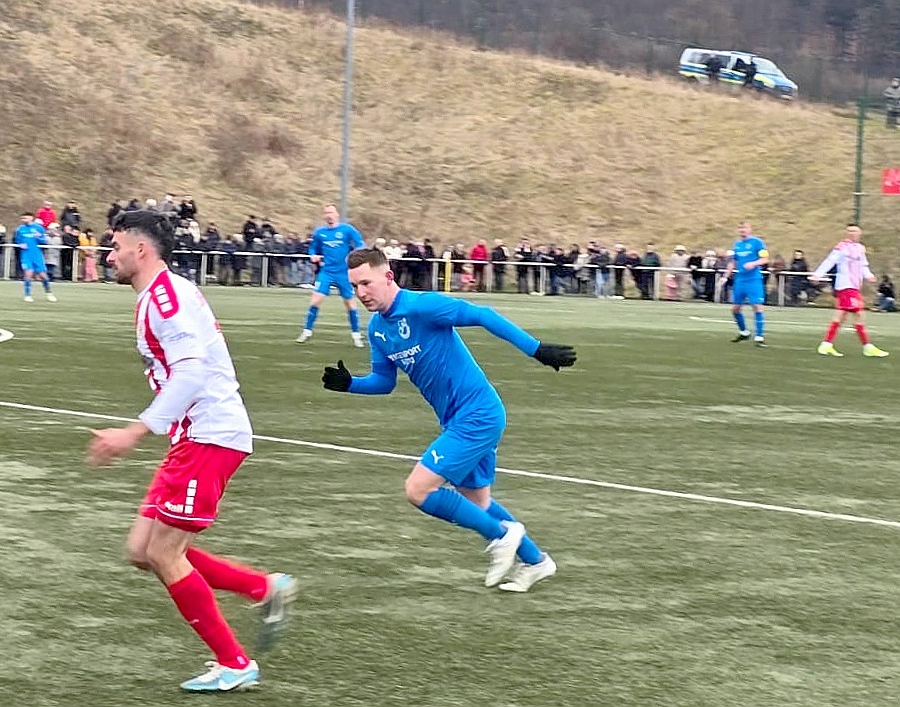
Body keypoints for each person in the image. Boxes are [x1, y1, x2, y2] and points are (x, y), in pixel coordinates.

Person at [88, 210, 296, 692]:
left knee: (164, 552)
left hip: (210, 434)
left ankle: (235, 663)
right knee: (142, 551)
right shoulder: (159, 294)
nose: (109, 256)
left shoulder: (166, 298)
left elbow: (192, 370)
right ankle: (264, 588)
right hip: (194, 436)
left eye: (116, 247)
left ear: (141, 250)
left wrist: (133, 432)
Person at [321, 248, 575, 592]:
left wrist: (536, 349)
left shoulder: (422, 306)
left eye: (366, 283)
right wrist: (350, 384)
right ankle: (536, 562)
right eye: (353, 286)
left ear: (388, 277)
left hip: (478, 413)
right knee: (478, 503)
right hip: (456, 419)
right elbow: (384, 382)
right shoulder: (378, 329)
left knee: (418, 489)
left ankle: (502, 535)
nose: (360, 292)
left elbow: (482, 314)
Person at [810, 225, 890, 357]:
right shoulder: (841, 247)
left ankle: (826, 344)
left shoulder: (860, 248)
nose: (852, 233)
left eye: (854, 231)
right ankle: (867, 347)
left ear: (860, 233)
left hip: (854, 286)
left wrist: (868, 275)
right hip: (845, 286)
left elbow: (863, 265)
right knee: (857, 313)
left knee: (842, 316)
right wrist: (818, 274)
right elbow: (830, 261)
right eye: (849, 231)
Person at [296, 204, 366, 347]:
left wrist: (355, 256)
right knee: (315, 301)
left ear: (336, 214)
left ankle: (356, 334)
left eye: (331, 212)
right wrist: (313, 255)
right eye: (326, 213)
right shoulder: (320, 232)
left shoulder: (347, 229)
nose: (329, 215)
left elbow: (360, 244)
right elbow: (313, 248)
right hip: (327, 272)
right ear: (324, 216)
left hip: (344, 273)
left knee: (350, 303)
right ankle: (307, 331)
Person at [724, 221, 769, 347]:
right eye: (740, 228)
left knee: (757, 306)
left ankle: (759, 337)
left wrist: (753, 263)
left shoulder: (757, 242)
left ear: (750, 229)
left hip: (753, 280)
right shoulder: (737, 244)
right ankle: (744, 332)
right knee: (735, 309)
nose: (742, 230)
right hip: (740, 280)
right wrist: (725, 276)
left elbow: (765, 259)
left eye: (744, 227)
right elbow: (733, 262)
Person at [13, 213, 56, 302]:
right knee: (28, 274)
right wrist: (21, 244)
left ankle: (49, 293)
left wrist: (38, 237)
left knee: (43, 276)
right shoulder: (20, 229)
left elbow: (44, 241)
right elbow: (17, 240)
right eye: (22, 218)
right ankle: (27, 295)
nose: (23, 220)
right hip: (26, 255)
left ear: (31, 218)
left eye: (25, 218)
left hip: (37, 255)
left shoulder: (38, 228)